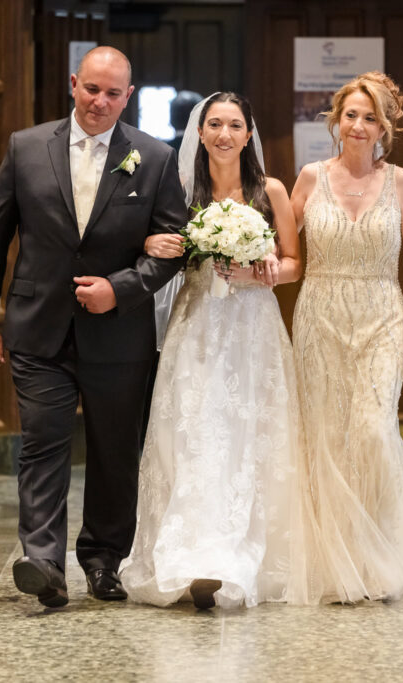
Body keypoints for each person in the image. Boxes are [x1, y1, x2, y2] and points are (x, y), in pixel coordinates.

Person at [0, 46, 187, 608]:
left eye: (113, 93)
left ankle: (103, 558)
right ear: (73, 84)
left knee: (115, 450)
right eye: (92, 89)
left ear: (128, 97)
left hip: (118, 332)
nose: (100, 102)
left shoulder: (155, 158)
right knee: (42, 443)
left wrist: (122, 288)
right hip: (38, 327)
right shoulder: (25, 148)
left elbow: (171, 249)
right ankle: (43, 562)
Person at [120, 92, 302, 609]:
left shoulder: (270, 191)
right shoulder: (180, 191)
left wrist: (263, 271)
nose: (224, 134)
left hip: (253, 330)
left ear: (249, 134)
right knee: (194, 432)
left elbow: (293, 263)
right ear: (199, 133)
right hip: (197, 324)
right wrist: (153, 246)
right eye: (214, 124)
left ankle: (244, 556)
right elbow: (156, 246)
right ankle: (191, 555)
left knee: (247, 435)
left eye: (235, 125)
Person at [286, 71, 403, 605]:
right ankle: (332, 561)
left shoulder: (400, 182)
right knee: (326, 437)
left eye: (369, 117)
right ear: (335, 120)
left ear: (384, 127)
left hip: (381, 316)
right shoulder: (309, 178)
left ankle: (373, 559)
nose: (358, 124)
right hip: (320, 315)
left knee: (372, 433)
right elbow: (283, 247)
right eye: (351, 114)